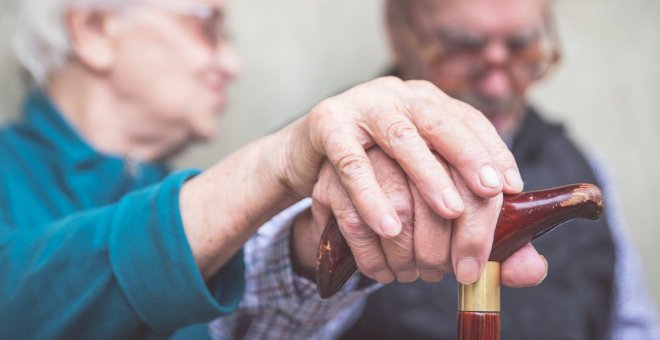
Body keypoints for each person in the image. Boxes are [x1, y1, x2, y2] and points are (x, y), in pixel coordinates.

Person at [0, 0, 549, 338]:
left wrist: (326, 236)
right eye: (208, 24)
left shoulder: (167, 194)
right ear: (93, 29)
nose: (233, 65)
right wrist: (277, 162)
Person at [332, 0, 660, 339]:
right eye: (463, 49)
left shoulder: (583, 168)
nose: (497, 89)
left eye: (521, 47)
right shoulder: (334, 166)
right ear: (399, 33)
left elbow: (631, 327)